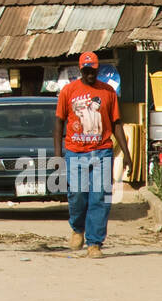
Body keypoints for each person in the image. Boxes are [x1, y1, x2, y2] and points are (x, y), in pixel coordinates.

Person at [54, 51, 132, 258]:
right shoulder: (68, 91)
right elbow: (59, 122)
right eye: (87, 71)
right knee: (77, 195)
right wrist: (56, 154)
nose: (90, 74)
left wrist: (127, 154)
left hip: (102, 151)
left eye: (93, 71)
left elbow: (116, 124)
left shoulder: (108, 92)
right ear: (81, 70)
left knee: (99, 197)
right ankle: (77, 229)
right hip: (75, 151)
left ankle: (95, 243)